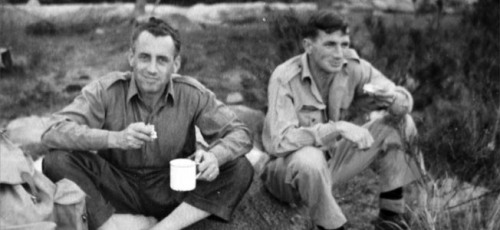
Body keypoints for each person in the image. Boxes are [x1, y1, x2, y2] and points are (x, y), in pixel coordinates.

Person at [41, 17, 254, 230]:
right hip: (117, 186)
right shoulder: (106, 90)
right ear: (131, 57)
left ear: (175, 64)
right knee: (55, 160)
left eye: (162, 60)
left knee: (240, 167)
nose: (152, 69)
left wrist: (214, 156)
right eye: (144, 57)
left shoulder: (191, 94)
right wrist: (115, 138)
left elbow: (240, 133)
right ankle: (109, 226)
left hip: (172, 188)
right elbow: (52, 130)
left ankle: (164, 227)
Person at [261, 10, 424, 230]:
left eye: (344, 44)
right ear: (308, 46)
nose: (339, 53)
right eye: (330, 44)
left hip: (331, 163)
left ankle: (391, 217)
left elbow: (402, 99)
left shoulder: (350, 65)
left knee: (402, 123)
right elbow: (280, 142)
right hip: (288, 174)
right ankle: (334, 227)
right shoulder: (285, 77)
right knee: (309, 158)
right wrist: (336, 128)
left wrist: (395, 101)